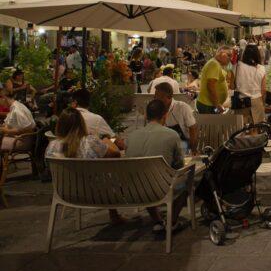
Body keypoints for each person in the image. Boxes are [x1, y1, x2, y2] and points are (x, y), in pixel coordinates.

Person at [45, 107, 123, 224]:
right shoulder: (90, 141)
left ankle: (114, 216)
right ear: (81, 124)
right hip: (96, 194)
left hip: (65, 192)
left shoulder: (51, 146)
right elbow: (116, 154)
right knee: (106, 173)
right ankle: (114, 215)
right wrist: (106, 140)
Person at [125, 99, 187, 231]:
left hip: (132, 190)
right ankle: (172, 222)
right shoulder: (172, 135)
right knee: (187, 180)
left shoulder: (131, 136)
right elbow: (179, 166)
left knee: (144, 176)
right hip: (160, 189)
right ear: (165, 115)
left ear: (146, 116)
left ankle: (158, 220)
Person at [154, 82, 198, 154]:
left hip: (182, 144)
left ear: (168, 97)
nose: (156, 99)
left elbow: (193, 128)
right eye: (155, 97)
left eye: (158, 97)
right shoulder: (156, 108)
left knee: (176, 154)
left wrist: (193, 150)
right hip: (163, 143)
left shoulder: (182, 107)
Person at [234, 44, 267, 123]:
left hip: (241, 101)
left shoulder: (238, 66)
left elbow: (232, 84)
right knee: (257, 126)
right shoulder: (261, 68)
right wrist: (263, 103)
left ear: (244, 54)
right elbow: (263, 90)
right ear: (257, 54)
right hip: (256, 100)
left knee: (242, 126)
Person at [196, 46, 232, 114]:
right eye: (229, 55)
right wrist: (217, 104)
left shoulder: (216, 63)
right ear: (222, 54)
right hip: (208, 105)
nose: (230, 58)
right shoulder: (214, 64)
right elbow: (210, 87)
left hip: (210, 104)